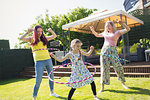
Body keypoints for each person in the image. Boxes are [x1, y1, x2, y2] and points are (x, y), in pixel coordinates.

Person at [89, 20, 130, 93]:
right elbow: (97, 35)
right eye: (106, 26)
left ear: (112, 26)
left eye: (108, 25)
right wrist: (92, 30)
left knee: (118, 67)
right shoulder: (105, 33)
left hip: (113, 51)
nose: (107, 27)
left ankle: (123, 83)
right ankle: (102, 87)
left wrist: (122, 24)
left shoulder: (117, 32)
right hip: (104, 51)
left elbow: (128, 29)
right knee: (104, 69)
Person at [20, 25, 59, 100]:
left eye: (41, 31)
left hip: (48, 59)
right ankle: (34, 96)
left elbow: (54, 36)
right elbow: (21, 38)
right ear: (35, 31)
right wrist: (27, 32)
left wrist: (51, 31)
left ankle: (52, 92)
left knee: (51, 76)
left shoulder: (44, 38)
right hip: (39, 61)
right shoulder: (31, 39)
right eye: (38, 31)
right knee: (38, 79)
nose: (40, 33)